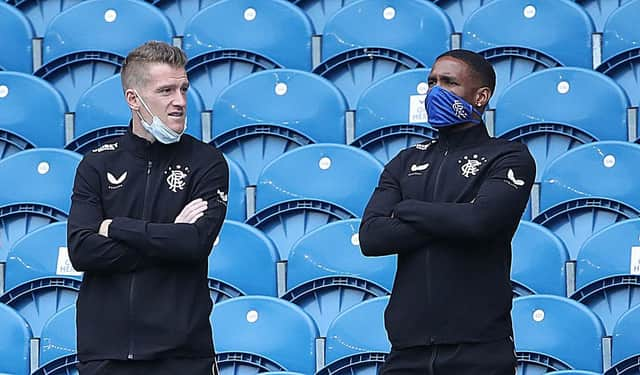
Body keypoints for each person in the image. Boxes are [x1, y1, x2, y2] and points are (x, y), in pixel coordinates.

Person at [359, 49, 535, 374]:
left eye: (449, 82)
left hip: (479, 350)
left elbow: (480, 222)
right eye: (431, 82)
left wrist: (407, 209)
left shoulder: (508, 156)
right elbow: (372, 238)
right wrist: (454, 217)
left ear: (481, 96)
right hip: (406, 352)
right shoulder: (405, 161)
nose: (435, 91)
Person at [67, 41, 228, 375]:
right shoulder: (96, 164)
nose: (180, 102)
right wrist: (169, 235)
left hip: (183, 357)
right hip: (106, 356)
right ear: (133, 99)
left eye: (184, 89)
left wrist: (115, 228)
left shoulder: (206, 162)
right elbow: (81, 250)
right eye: (166, 90)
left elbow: (194, 244)